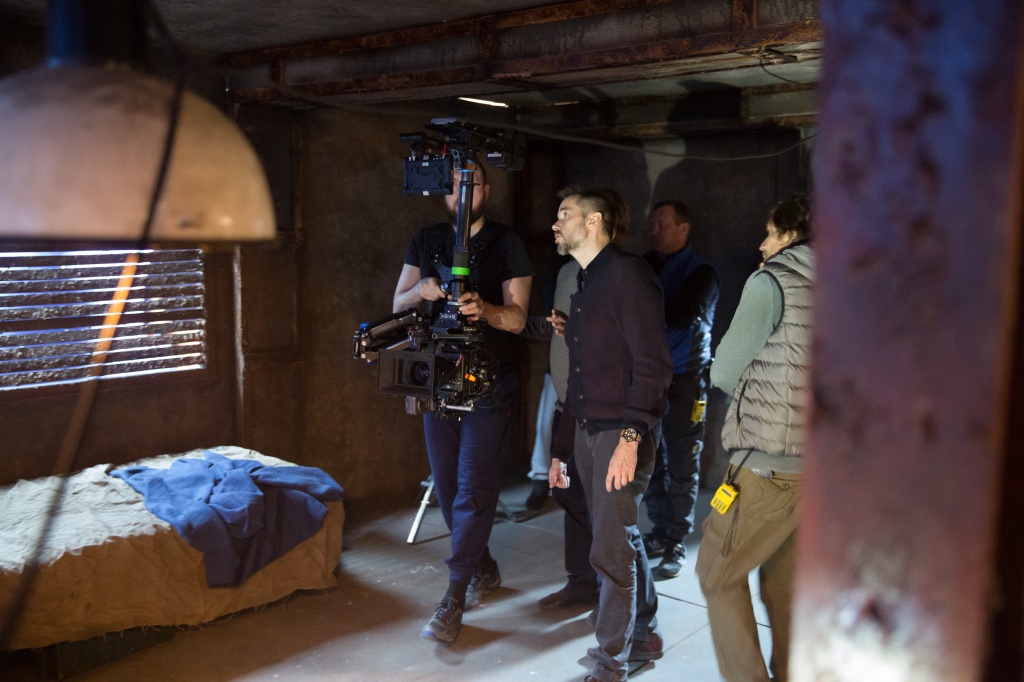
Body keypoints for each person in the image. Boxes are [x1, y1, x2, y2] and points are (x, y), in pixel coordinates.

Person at [392, 163, 533, 646]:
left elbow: (518, 319)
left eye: (469, 182)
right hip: (440, 382)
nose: (461, 191)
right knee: (450, 487)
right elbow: (398, 303)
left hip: (489, 385)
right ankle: (483, 567)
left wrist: (486, 309)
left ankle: (453, 596)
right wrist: (422, 290)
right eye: (453, 183)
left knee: (473, 487)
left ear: (485, 190)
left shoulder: (507, 242)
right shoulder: (425, 239)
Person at [549, 186, 672, 682]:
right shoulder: (586, 282)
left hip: (618, 433)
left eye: (565, 214)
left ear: (594, 221)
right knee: (620, 536)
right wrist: (560, 448)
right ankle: (645, 632)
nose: (555, 223)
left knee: (609, 549)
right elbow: (578, 377)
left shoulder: (627, 274)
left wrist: (630, 437)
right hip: (587, 430)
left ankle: (609, 663)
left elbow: (653, 366)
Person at [696, 193, 813, 682]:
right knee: (784, 584)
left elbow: (723, 371)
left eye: (769, 233)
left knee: (716, 574)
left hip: (767, 463)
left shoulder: (771, 281)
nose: (762, 245)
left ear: (791, 234)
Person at [641, 200, 720, 579]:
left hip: (686, 378)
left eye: (663, 224)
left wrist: (639, 307)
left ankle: (676, 540)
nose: (654, 230)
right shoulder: (643, 265)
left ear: (683, 229)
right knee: (648, 460)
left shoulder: (702, 273)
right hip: (647, 377)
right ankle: (659, 530)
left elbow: (681, 314)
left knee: (683, 463)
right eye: (653, 223)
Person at [521, 257, 600, 610]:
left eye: (563, 224)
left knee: (610, 512)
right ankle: (582, 581)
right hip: (567, 404)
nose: (556, 229)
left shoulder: (620, 274)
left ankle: (637, 613)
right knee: (569, 493)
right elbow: (556, 329)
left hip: (601, 414)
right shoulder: (566, 272)